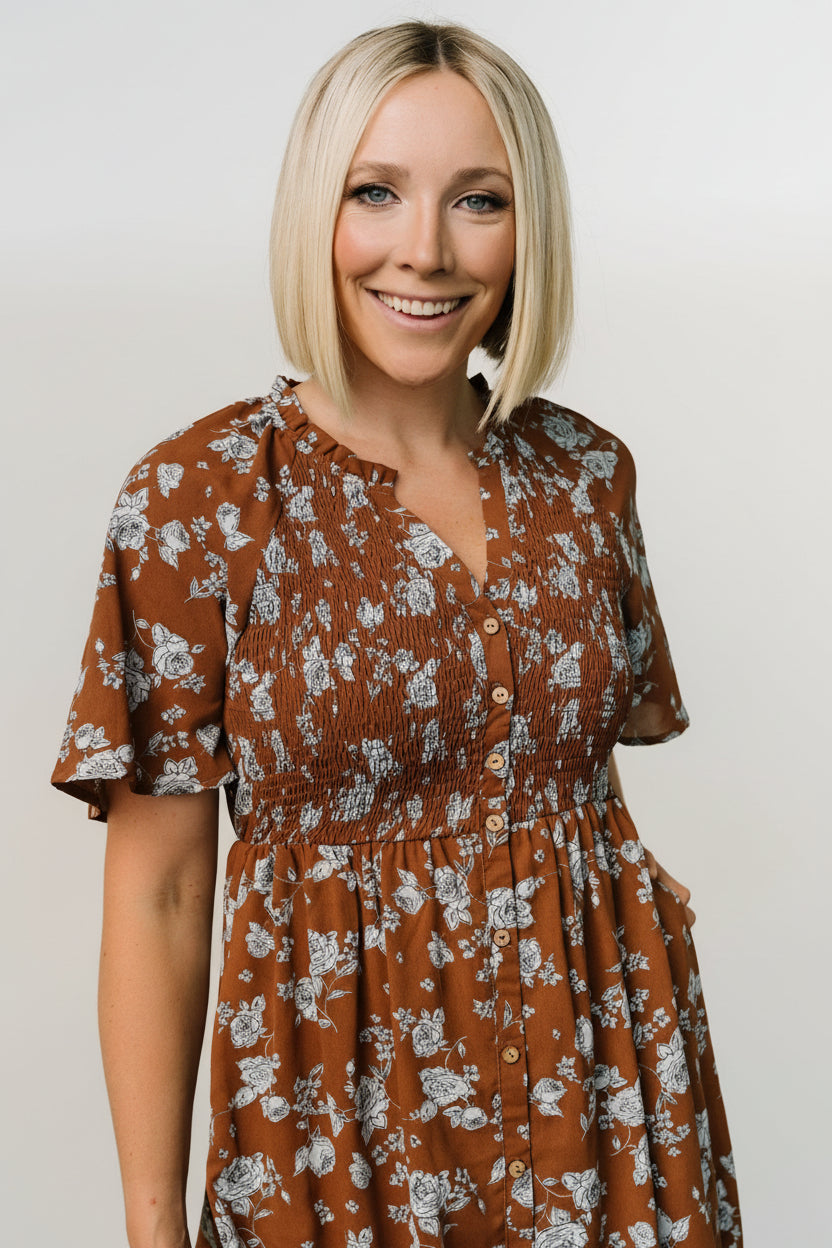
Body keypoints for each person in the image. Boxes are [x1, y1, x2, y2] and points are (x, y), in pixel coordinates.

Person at [51, 19, 742, 1248]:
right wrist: (152, 1227)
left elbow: (566, 807)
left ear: (531, 233)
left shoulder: (585, 477)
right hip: (335, 1137)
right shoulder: (199, 500)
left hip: (612, 1114)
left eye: (479, 200)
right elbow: (159, 891)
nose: (422, 251)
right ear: (316, 211)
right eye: (376, 192)